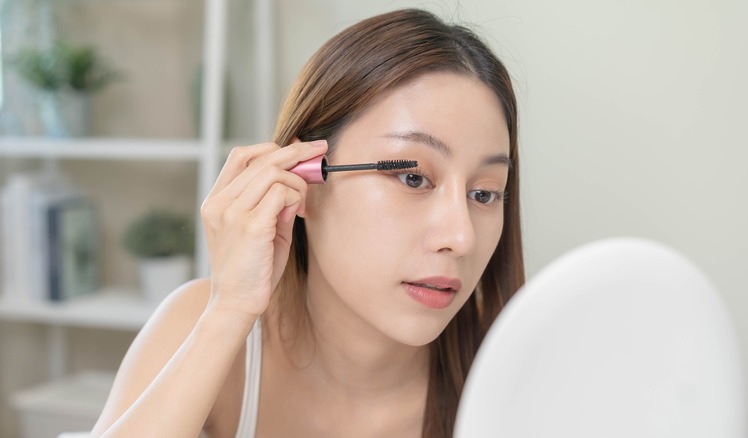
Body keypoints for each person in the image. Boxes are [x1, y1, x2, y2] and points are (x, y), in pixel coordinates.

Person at [91, 8, 524, 438]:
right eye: (413, 178)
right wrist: (229, 312)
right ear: (305, 174)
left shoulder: (518, 371)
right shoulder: (204, 326)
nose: (460, 237)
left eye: (483, 193)